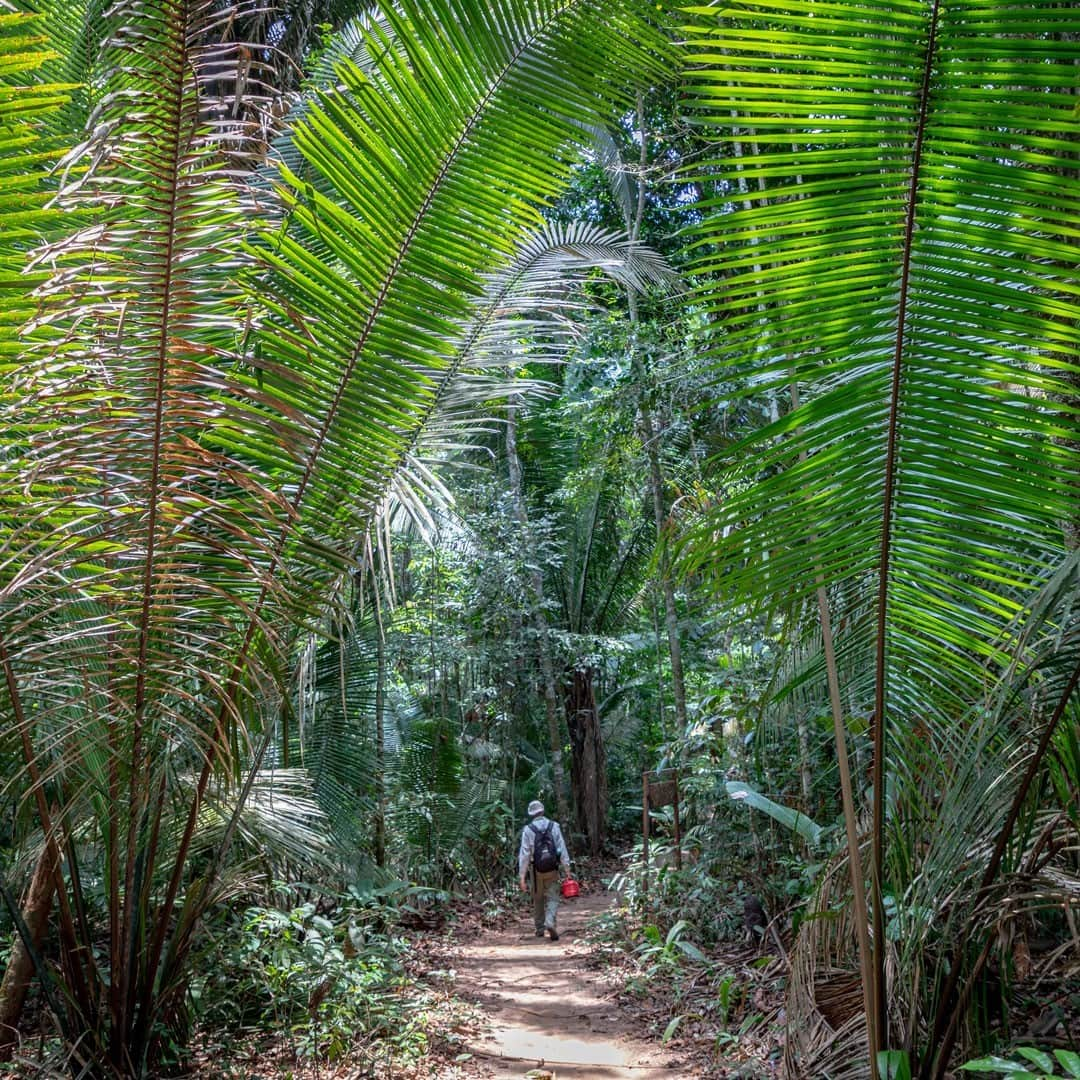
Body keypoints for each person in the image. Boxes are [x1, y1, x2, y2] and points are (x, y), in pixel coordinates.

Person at [517, 799, 570, 941]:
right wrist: (567, 869)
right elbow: (562, 848)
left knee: (538, 898)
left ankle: (540, 929)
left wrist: (522, 877)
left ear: (531, 814)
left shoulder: (528, 830)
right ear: (543, 811)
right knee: (553, 897)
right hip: (552, 869)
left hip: (536, 870)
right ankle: (550, 921)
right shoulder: (554, 826)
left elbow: (525, 854)